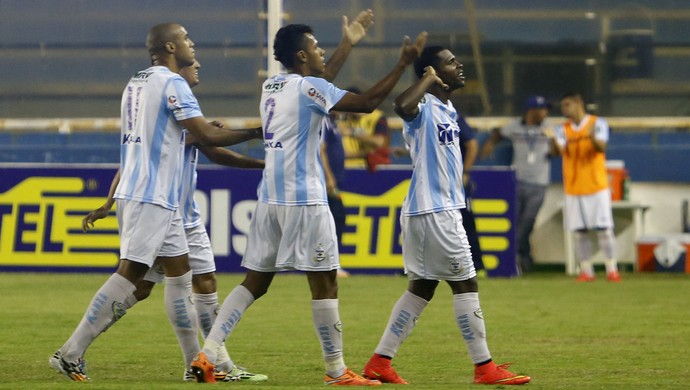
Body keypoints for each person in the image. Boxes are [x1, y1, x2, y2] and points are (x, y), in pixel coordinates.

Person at [189, 14, 428, 385]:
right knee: (325, 282)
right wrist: (402, 63)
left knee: (255, 280)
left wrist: (348, 43)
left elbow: (319, 82)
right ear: (302, 56)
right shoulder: (307, 88)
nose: (322, 51)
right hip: (304, 200)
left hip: (270, 197)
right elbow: (366, 103)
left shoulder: (274, 86)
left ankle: (208, 353)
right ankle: (336, 370)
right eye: (317, 47)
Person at [49, 23, 262, 382]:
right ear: (170, 46)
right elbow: (206, 136)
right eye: (186, 39)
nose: (192, 45)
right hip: (152, 194)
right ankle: (70, 352)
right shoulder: (172, 82)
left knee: (181, 275)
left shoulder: (137, 82)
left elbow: (163, 139)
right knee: (131, 273)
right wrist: (259, 131)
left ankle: (199, 365)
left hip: (154, 197)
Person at [361, 46, 531, 386]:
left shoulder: (446, 108)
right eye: (451, 62)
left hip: (430, 210)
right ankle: (484, 368)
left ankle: (380, 361)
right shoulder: (422, 106)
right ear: (432, 73)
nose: (460, 64)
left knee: (421, 288)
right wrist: (426, 80)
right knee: (465, 282)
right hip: (435, 211)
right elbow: (400, 106)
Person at [481, 95, 556, 274]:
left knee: (528, 221)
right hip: (518, 181)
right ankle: (523, 258)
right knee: (516, 221)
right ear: (532, 111)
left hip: (539, 183)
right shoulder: (515, 126)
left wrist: (553, 140)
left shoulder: (549, 128)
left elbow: (556, 153)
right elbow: (499, 133)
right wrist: (490, 144)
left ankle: (515, 257)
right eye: (542, 109)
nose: (545, 113)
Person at [553, 92, 621, 282]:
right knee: (579, 231)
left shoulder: (597, 123)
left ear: (578, 103)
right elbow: (558, 149)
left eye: (567, 104)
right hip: (573, 186)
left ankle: (611, 269)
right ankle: (586, 270)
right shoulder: (562, 129)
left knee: (604, 228)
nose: (564, 109)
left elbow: (601, 147)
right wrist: (551, 142)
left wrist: (591, 137)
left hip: (596, 184)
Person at [321, 113, 351, 278]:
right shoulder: (323, 121)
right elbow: (321, 149)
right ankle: (330, 264)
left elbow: (336, 151)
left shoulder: (332, 122)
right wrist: (328, 177)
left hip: (333, 181)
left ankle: (331, 263)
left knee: (335, 220)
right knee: (335, 220)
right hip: (327, 182)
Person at [457, 117, 486, 277]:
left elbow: (472, 144)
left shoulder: (451, 115)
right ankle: (422, 267)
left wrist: (466, 172)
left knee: (466, 221)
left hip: (455, 181)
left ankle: (477, 265)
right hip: (435, 181)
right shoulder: (427, 115)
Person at [338, 87, 391, 172]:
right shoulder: (342, 120)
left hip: (370, 169)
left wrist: (353, 132)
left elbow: (379, 142)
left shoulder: (376, 117)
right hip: (346, 168)